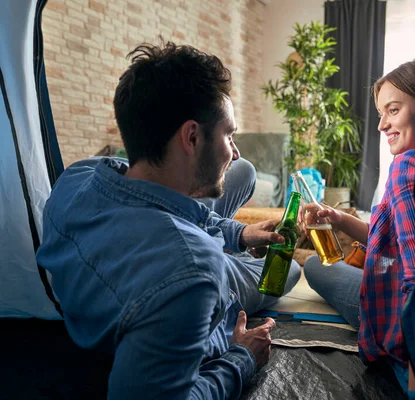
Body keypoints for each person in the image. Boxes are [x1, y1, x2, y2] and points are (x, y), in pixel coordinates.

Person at [36, 40, 301, 399]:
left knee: (244, 172)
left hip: (149, 243)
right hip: (177, 267)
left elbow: (168, 213)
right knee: (293, 271)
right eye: (229, 134)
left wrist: (240, 233)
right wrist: (241, 357)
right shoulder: (190, 273)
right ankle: (231, 259)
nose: (234, 150)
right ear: (191, 137)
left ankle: (232, 244)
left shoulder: (77, 175)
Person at [303, 57, 415, 399]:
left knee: (316, 265)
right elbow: (394, 238)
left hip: (397, 325)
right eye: (380, 114)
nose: (381, 125)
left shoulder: (406, 168)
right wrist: (341, 218)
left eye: (392, 110)